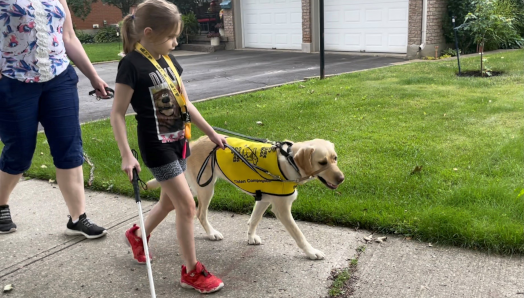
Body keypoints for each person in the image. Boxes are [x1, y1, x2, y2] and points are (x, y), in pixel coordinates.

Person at [110, 0, 226, 293]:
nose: (176, 42)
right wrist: (126, 154)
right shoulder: (131, 64)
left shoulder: (169, 60)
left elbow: (186, 103)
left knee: (169, 201)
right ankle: (191, 271)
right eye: (172, 36)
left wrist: (211, 134)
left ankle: (138, 235)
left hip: (179, 141)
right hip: (156, 145)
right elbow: (117, 113)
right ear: (148, 33)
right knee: (187, 205)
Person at [0, 0, 108, 238]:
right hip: (14, 81)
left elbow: (68, 37)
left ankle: (78, 218)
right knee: (19, 151)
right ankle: (1, 204)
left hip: (59, 79)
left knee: (69, 147)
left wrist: (93, 76)